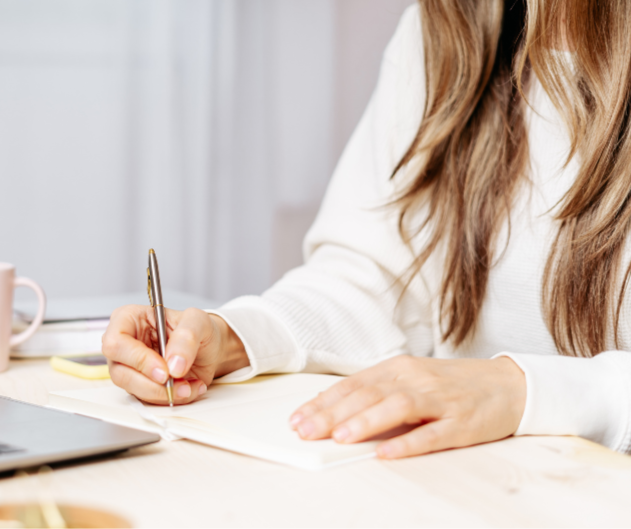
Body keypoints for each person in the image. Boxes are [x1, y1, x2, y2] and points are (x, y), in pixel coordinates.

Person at [102, 0, 631, 459]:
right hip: (476, 486)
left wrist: (521, 391)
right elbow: (369, 280)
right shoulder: (441, 36)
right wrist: (233, 337)